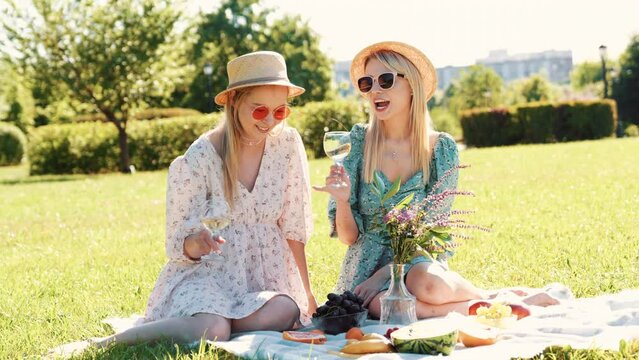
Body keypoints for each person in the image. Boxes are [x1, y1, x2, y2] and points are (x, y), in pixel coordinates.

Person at [50, 51, 317, 356]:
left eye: (280, 112)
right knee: (213, 329)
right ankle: (104, 344)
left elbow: (294, 225)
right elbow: (177, 244)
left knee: (286, 309)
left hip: (261, 278)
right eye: (259, 111)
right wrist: (197, 243)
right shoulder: (200, 157)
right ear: (233, 102)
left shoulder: (287, 144)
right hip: (207, 275)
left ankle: (219, 322)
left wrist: (306, 292)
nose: (270, 121)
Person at [314, 41, 559, 319]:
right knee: (381, 307)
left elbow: (432, 236)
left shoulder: (440, 148)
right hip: (365, 270)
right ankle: (494, 304)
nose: (375, 91)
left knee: (427, 286)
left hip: (416, 262)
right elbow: (348, 237)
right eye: (366, 83)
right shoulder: (357, 143)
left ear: (411, 85)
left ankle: (491, 298)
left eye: (385, 80)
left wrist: (388, 273)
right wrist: (342, 201)